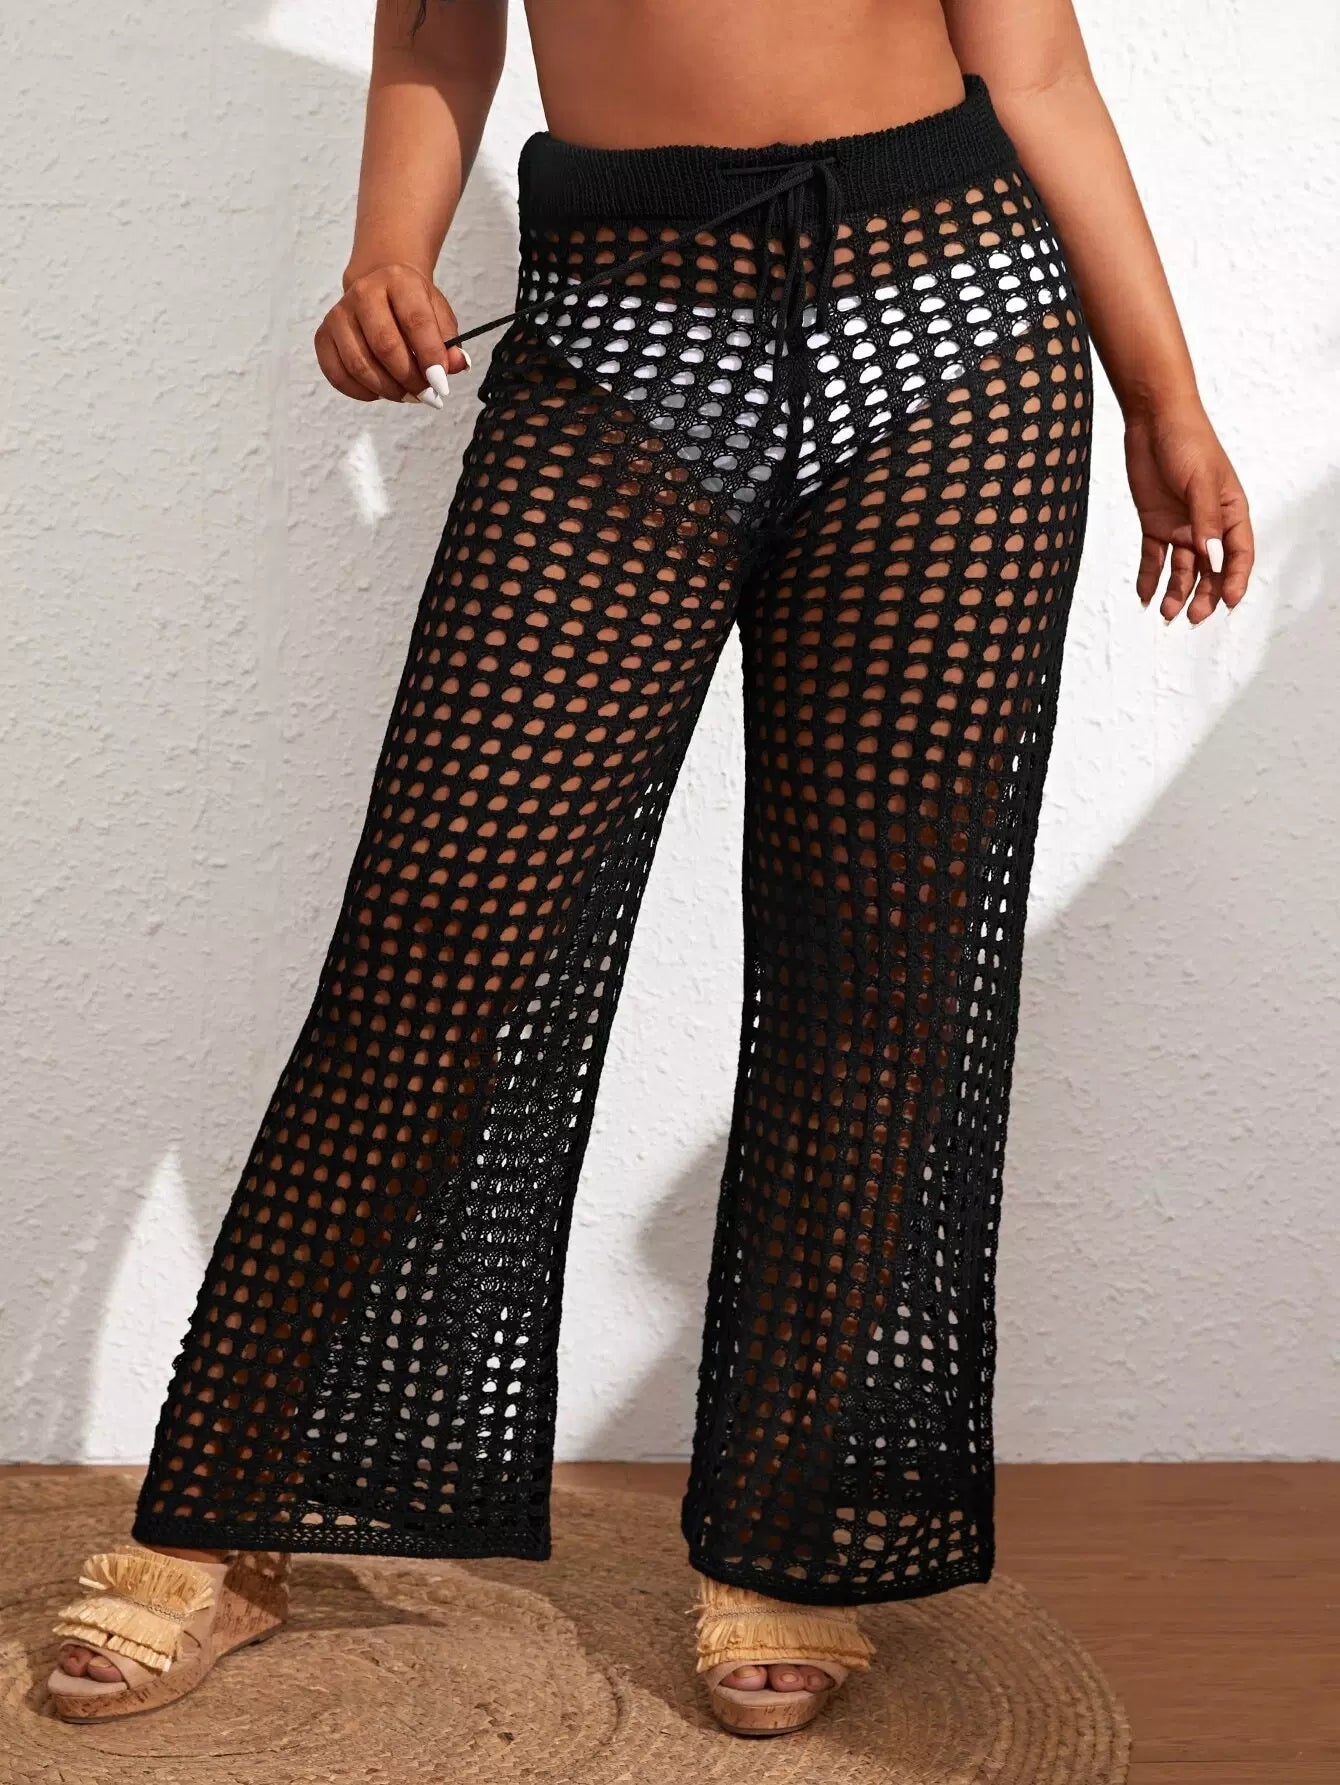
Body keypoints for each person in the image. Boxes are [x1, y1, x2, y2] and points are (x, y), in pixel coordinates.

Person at [47, 0, 1252, 1741]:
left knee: (882, 972)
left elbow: (1038, 69)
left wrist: (1164, 394)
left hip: (954, 335)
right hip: (621, 340)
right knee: (438, 933)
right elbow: (437, 38)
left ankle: (791, 1531)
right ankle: (223, 1514)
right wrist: (384, 255)